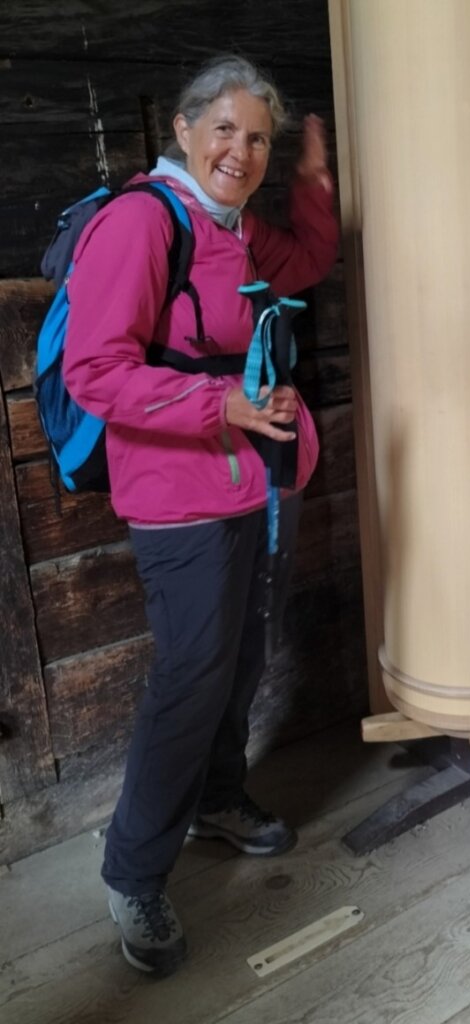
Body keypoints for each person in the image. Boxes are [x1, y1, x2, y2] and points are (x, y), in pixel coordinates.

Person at [63, 54, 338, 977]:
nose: (241, 152)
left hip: (262, 481)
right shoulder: (142, 222)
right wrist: (222, 404)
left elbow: (307, 261)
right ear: (182, 129)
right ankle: (133, 871)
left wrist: (313, 183)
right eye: (225, 129)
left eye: (258, 138)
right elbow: (95, 371)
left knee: (243, 655)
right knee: (190, 676)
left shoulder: (237, 228)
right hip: (179, 493)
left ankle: (218, 799)